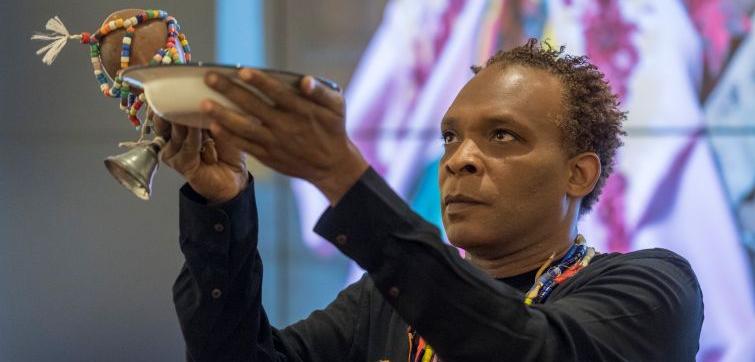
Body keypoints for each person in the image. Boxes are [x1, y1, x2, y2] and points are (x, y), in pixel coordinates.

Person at [158, 39, 703, 361]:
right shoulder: (382, 303)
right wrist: (220, 205)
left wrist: (342, 176)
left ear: (579, 173)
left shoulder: (652, 288)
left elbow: (524, 349)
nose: (458, 159)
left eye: (503, 136)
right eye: (449, 137)